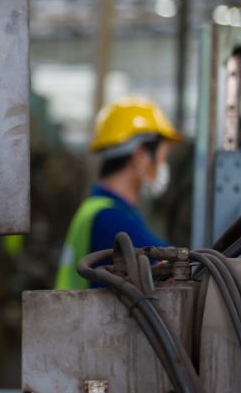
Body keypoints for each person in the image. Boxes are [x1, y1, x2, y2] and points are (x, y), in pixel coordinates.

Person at [54, 96, 182, 290]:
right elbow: (174, 266)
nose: (163, 167)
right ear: (140, 157)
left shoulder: (100, 208)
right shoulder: (110, 219)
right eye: (163, 158)